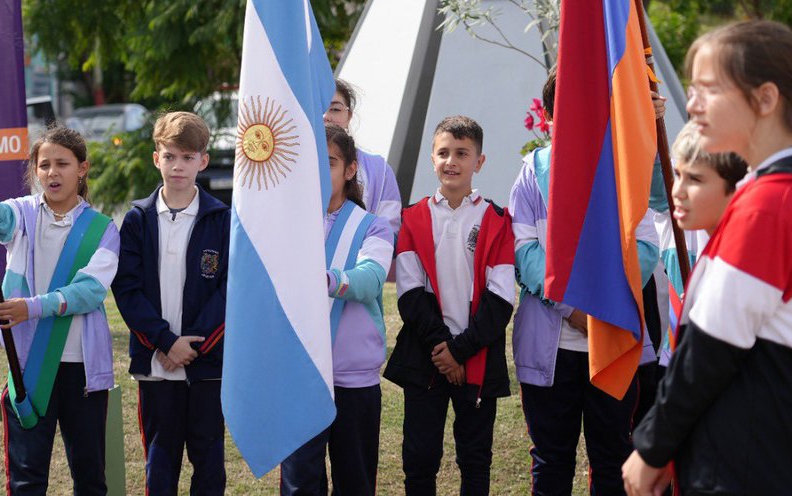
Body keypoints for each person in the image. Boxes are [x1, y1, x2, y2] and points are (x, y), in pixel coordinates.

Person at [624, 20, 792, 496]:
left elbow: (709, 350)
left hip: (745, 467)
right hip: (784, 459)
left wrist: (653, 448)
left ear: (764, 99)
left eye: (709, 89)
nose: (691, 104)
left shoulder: (772, 206)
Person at [508, 70, 662, 496]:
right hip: (550, 346)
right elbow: (524, 252)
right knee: (551, 459)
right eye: (567, 108)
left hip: (612, 341)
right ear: (551, 116)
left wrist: (601, 306)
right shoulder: (531, 173)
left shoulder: (622, 170)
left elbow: (646, 249)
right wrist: (573, 308)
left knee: (611, 458)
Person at [0, 125, 119, 496]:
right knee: (26, 481)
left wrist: (31, 308)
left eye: (63, 164)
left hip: (83, 374)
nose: (53, 173)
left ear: (83, 168)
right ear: (35, 170)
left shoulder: (104, 230)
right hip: (28, 365)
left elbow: (89, 292)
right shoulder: (22, 213)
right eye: (44, 165)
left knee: (90, 478)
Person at [384, 115, 515, 496]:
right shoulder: (413, 217)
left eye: (462, 153)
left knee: (476, 459)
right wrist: (444, 350)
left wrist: (460, 351)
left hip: (476, 354)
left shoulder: (497, 220)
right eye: (443, 153)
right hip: (426, 355)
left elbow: (501, 298)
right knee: (419, 458)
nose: (451, 161)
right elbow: (409, 294)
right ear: (432, 158)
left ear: (480, 161)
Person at [111, 112, 229, 496]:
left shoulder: (223, 220)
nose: (178, 166)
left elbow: (230, 289)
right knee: (160, 461)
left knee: (209, 461)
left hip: (207, 364)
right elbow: (127, 290)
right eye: (170, 156)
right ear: (155, 158)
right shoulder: (137, 220)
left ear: (203, 161)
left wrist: (192, 347)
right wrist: (165, 341)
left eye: (188, 157)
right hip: (156, 364)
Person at [280, 125, 395, 495]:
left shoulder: (372, 225)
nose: (317, 171)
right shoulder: (287, 225)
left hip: (353, 379)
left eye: (328, 162)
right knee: (299, 483)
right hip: (301, 374)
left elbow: (372, 279)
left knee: (355, 482)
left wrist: (325, 280)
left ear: (350, 169)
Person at [657, 123, 746, 363]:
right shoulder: (713, 261)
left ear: (736, 186)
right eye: (678, 175)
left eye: (695, 179)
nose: (678, 191)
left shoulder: (748, 268)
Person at [324, 80, 402, 236]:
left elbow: (390, 229)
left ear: (349, 115)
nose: (326, 116)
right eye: (317, 107)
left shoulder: (379, 170)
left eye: (335, 109)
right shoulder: (290, 162)